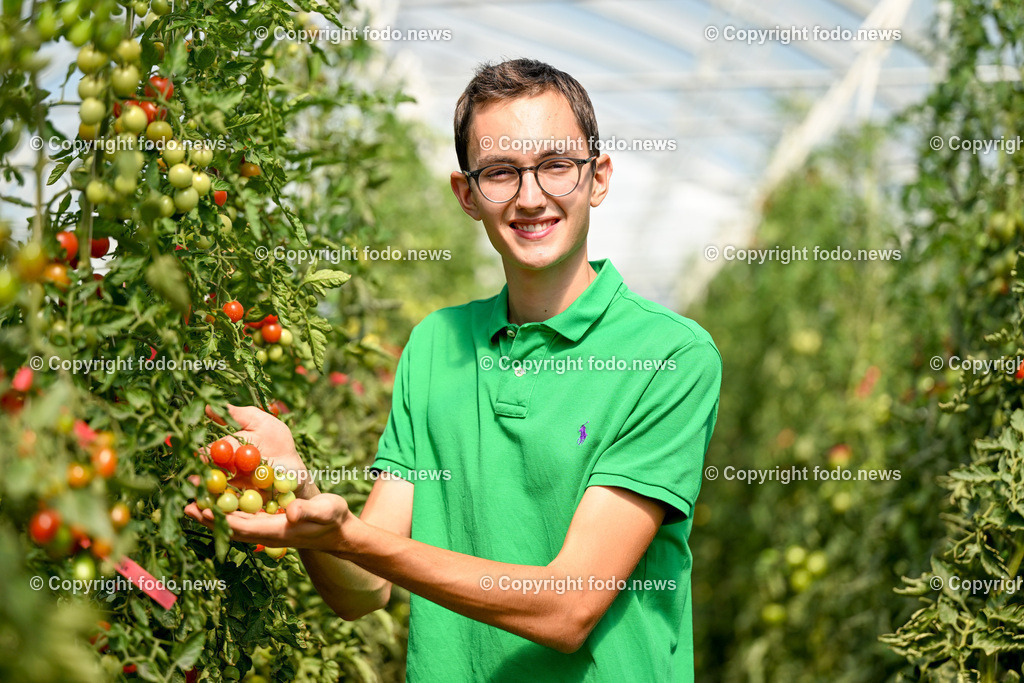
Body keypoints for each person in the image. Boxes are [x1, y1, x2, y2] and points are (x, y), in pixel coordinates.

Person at [186, 58, 722, 682]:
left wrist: (352, 538)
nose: (530, 197)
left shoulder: (670, 355)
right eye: (500, 172)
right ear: (466, 194)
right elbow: (363, 592)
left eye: (556, 166)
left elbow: (568, 608)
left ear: (597, 177)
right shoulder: (435, 347)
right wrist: (300, 492)